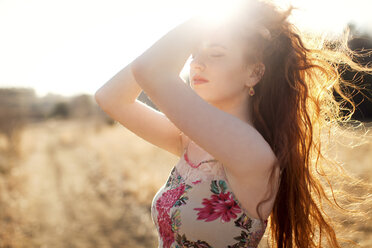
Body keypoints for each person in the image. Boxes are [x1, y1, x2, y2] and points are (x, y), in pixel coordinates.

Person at [95, 0, 372, 247]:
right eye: (193, 55)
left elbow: (150, 71)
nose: (196, 65)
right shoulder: (192, 140)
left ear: (254, 73)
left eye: (215, 54)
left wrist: (204, 18)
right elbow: (110, 98)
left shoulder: (250, 151)